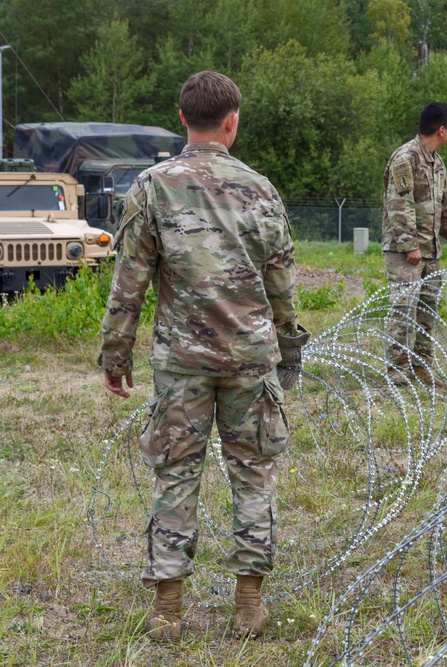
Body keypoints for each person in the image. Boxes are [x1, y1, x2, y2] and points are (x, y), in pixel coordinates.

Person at [100, 71, 309, 641]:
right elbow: (282, 283)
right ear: (232, 122)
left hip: (182, 363)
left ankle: (169, 609)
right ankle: (248, 603)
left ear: (181, 118)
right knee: (254, 473)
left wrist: (116, 354)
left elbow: (129, 281)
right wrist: (289, 348)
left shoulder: (151, 186)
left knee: (175, 474)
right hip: (250, 358)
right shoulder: (261, 189)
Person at [382, 102, 447, 388]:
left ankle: (422, 366)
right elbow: (399, 205)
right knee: (403, 308)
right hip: (405, 252)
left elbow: (446, 210)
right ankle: (397, 369)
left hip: (431, 251)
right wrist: (410, 246)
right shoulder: (405, 158)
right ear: (442, 129)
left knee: (426, 311)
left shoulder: (437, 164)